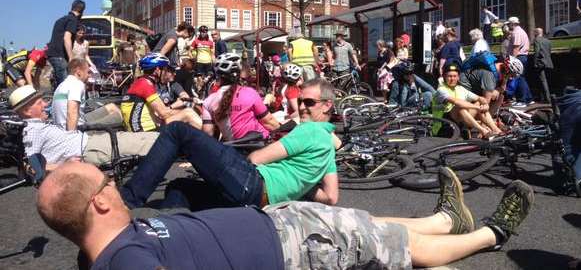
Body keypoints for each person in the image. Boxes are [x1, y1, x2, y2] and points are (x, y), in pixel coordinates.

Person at [38, 161, 534, 269]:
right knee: (403, 250)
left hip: (280, 222)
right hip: (296, 249)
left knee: (369, 224)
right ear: (99, 203)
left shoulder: (101, 251)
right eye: (106, 181)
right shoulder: (126, 262)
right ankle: (491, 233)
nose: (116, 185)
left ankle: (448, 219)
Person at [121, 77, 340, 210]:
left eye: (309, 102)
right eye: (300, 101)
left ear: (327, 105)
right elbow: (330, 197)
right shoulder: (328, 146)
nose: (301, 107)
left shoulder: (309, 130)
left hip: (251, 181)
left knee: (177, 131)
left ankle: (127, 201)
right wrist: (299, 185)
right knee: (179, 187)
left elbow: (256, 158)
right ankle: (166, 233)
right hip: (255, 200)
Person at [8, 85, 158, 166]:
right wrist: (65, 166)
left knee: (145, 139)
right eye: (40, 102)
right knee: (149, 141)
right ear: (27, 111)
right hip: (90, 149)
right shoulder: (32, 130)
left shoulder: (37, 125)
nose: (45, 104)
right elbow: (31, 165)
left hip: (89, 143)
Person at [202, 53, 280, 141]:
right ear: (239, 73)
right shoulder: (250, 92)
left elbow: (208, 133)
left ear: (218, 75)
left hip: (232, 149)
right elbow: (269, 122)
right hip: (259, 145)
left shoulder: (208, 101)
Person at [121, 53, 202, 132]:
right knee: (189, 113)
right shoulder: (146, 84)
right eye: (166, 70)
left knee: (186, 116)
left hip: (146, 128)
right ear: (157, 70)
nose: (169, 72)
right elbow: (164, 113)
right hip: (145, 133)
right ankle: (209, 141)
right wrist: (185, 111)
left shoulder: (141, 82)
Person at [433, 62, 501, 138]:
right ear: (444, 77)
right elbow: (456, 102)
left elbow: (480, 98)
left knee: (479, 103)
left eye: (455, 76)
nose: (452, 79)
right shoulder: (441, 90)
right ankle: (483, 131)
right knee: (460, 107)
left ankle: (497, 130)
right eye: (449, 76)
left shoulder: (460, 89)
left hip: (458, 122)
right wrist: (477, 108)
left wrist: (485, 105)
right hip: (443, 124)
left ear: (458, 77)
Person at [52, 58, 122, 131]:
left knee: (112, 107)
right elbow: (72, 111)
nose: (89, 76)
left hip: (67, 126)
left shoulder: (61, 86)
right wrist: (72, 136)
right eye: (88, 72)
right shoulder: (77, 84)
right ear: (78, 72)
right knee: (118, 116)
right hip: (77, 129)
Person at [460, 55, 524, 116]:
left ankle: (485, 120)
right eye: (512, 75)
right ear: (507, 71)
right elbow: (486, 102)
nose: (511, 78)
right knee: (482, 103)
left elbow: (502, 89)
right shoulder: (490, 75)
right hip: (464, 91)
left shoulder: (498, 69)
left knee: (500, 97)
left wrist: (503, 82)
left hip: (474, 89)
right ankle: (469, 123)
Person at [46, 0, 85, 86]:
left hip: (52, 54)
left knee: (60, 84)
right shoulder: (73, 20)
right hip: (59, 56)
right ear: (81, 11)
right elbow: (67, 38)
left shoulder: (60, 20)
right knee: (65, 85)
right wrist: (71, 57)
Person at [507, 16, 533, 107]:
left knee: (518, 78)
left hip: (519, 57)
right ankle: (529, 99)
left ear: (512, 23)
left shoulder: (516, 32)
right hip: (522, 57)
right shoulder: (521, 31)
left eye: (509, 24)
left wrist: (512, 60)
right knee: (522, 78)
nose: (508, 26)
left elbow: (516, 47)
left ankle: (522, 100)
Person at [532, 28, 553, 104]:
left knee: (543, 81)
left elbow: (536, 52)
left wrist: (535, 62)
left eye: (534, 32)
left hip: (541, 63)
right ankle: (543, 98)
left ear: (536, 33)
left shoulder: (537, 40)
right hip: (548, 62)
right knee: (546, 81)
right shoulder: (547, 41)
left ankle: (547, 99)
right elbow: (549, 52)